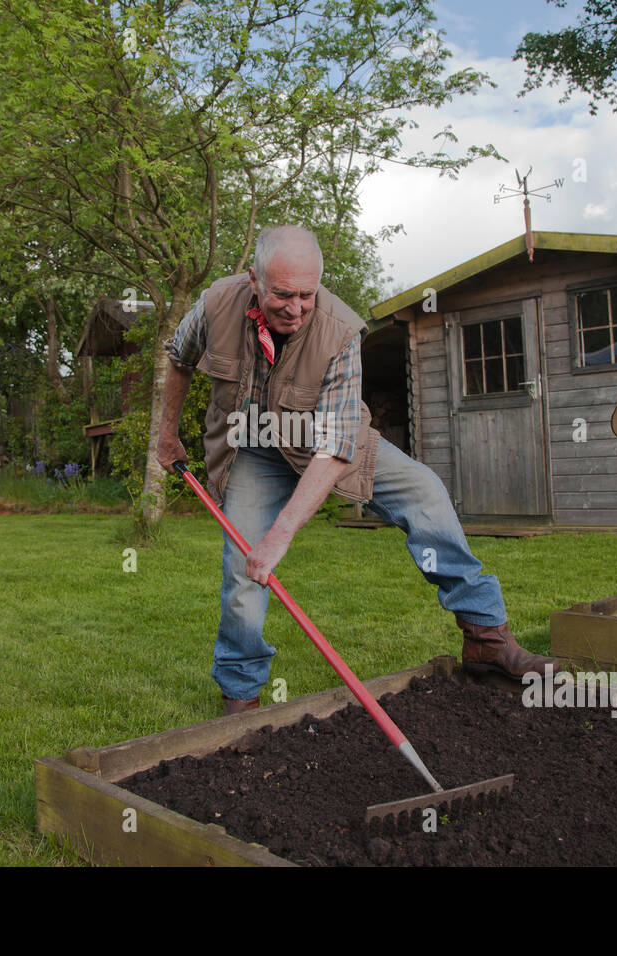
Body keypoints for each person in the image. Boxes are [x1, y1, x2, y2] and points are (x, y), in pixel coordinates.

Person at [157, 225, 561, 716]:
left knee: (426, 493)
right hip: (255, 447)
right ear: (254, 280)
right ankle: (240, 698)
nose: (296, 307)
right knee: (246, 567)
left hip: (325, 441)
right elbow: (179, 359)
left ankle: (486, 639)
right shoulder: (217, 303)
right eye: (282, 294)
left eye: (307, 294)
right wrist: (167, 433)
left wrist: (281, 534)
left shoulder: (340, 331)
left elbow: (335, 448)